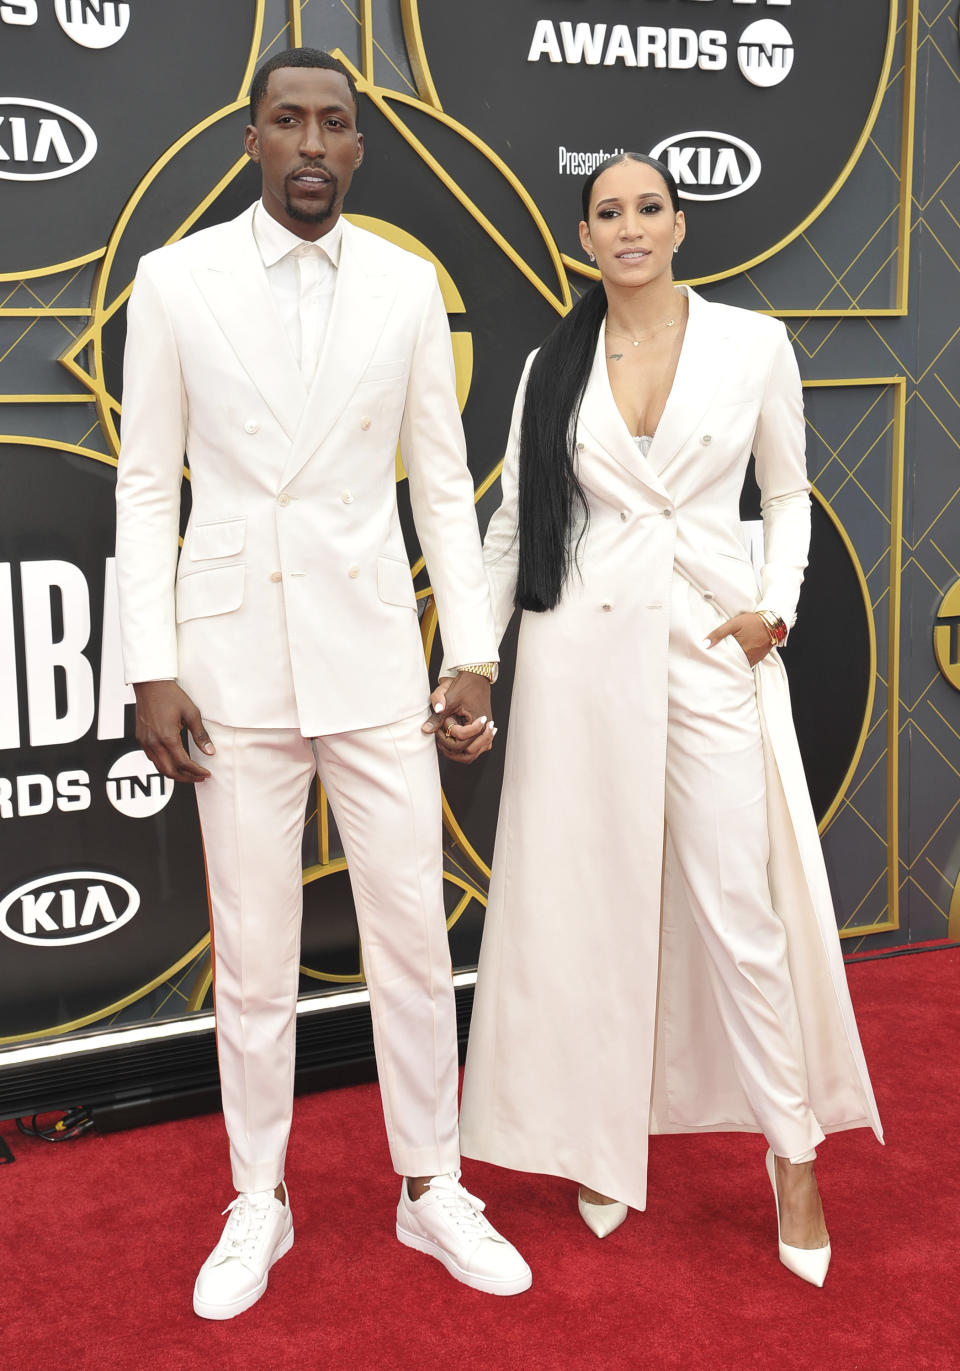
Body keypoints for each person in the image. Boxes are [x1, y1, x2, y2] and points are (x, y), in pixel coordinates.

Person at [115, 47, 530, 1320]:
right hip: (229, 662)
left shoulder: (409, 290)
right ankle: (261, 1201)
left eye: (334, 124)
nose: (310, 141)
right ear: (250, 139)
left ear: (360, 148)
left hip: (369, 659)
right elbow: (146, 484)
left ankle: (431, 1187)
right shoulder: (175, 281)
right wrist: (151, 665)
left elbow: (445, 489)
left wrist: (470, 648)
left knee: (411, 938)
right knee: (252, 957)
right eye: (286, 119)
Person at [448, 152, 883, 1288]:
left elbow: (786, 496)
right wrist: (473, 659)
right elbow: (512, 525)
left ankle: (793, 1153)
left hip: (705, 645)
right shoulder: (554, 362)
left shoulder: (752, 344)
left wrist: (771, 612)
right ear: (583, 237)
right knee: (588, 907)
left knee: (741, 907)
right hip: (578, 657)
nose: (628, 227)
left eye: (648, 208)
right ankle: (599, 1141)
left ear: (679, 224)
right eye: (607, 213)